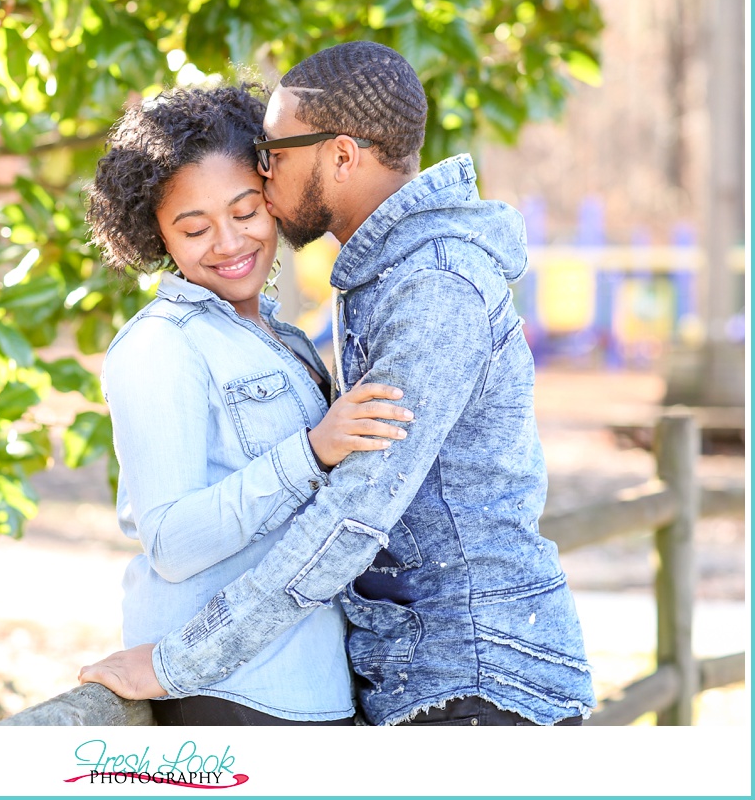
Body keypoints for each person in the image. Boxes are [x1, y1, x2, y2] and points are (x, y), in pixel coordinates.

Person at [80, 41, 597, 726]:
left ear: (342, 156)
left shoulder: (429, 288)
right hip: (408, 680)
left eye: (274, 157)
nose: (266, 177)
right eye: (196, 225)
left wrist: (180, 660)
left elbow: (352, 513)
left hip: (475, 681)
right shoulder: (370, 283)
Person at [83, 82, 415, 726]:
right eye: (194, 227)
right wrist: (313, 451)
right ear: (156, 234)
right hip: (231, 695)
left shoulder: (284, 339)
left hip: (317, 685)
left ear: (273, 199)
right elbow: (171, 542)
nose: (229, 243)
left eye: (245, 212)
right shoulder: (159, 347)